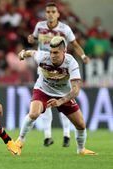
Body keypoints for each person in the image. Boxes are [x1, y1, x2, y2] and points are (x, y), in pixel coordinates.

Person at [16, 36, 96, 155]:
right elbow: (32, 53)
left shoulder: (71, 63)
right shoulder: (43, 57)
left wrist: (60, 101)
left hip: (63, 94)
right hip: (43, 90)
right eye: (51, 52)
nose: (53, 55)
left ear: (64, 51)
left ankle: (81, 150)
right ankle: (19, 141)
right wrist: (22, 54)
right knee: (34, 113)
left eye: (56, 53)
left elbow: (76, 90)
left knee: (81, 125)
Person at [27, 2, 90, 147]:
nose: (50, 14)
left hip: (62, 69)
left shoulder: (65, 29)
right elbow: (34, 38)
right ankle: (48, 135)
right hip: (45, 67)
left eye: (53, 11)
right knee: (46, 103)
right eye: (48, 11)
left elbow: (75, 44)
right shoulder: (39, 26)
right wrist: (31, 38)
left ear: (58, 14)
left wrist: (83, 56)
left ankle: (66, 134)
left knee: (63, 97)